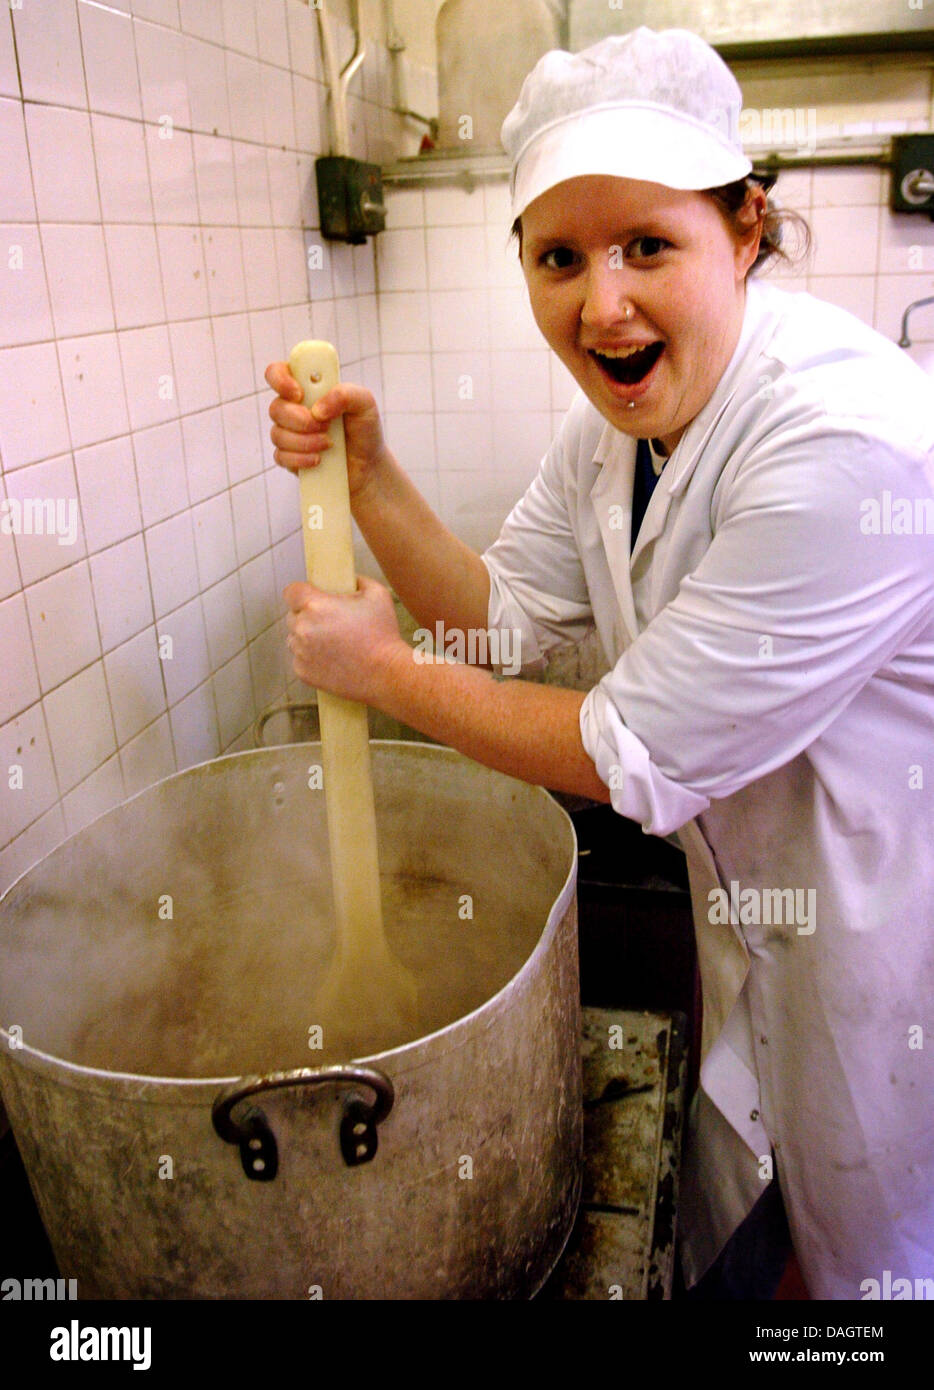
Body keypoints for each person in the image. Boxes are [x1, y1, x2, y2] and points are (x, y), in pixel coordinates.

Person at [265, 27, 934, 1300]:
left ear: (744, 232)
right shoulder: (610, 435)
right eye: (558, 258)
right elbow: (504, 631)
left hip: (893, 938)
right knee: (766, 1232)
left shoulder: (846, 438)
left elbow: (629, 753)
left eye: (648, 246)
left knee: (879, 1264)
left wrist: (383, 673)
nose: (601, 302)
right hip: (762, 918)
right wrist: (372, 482)